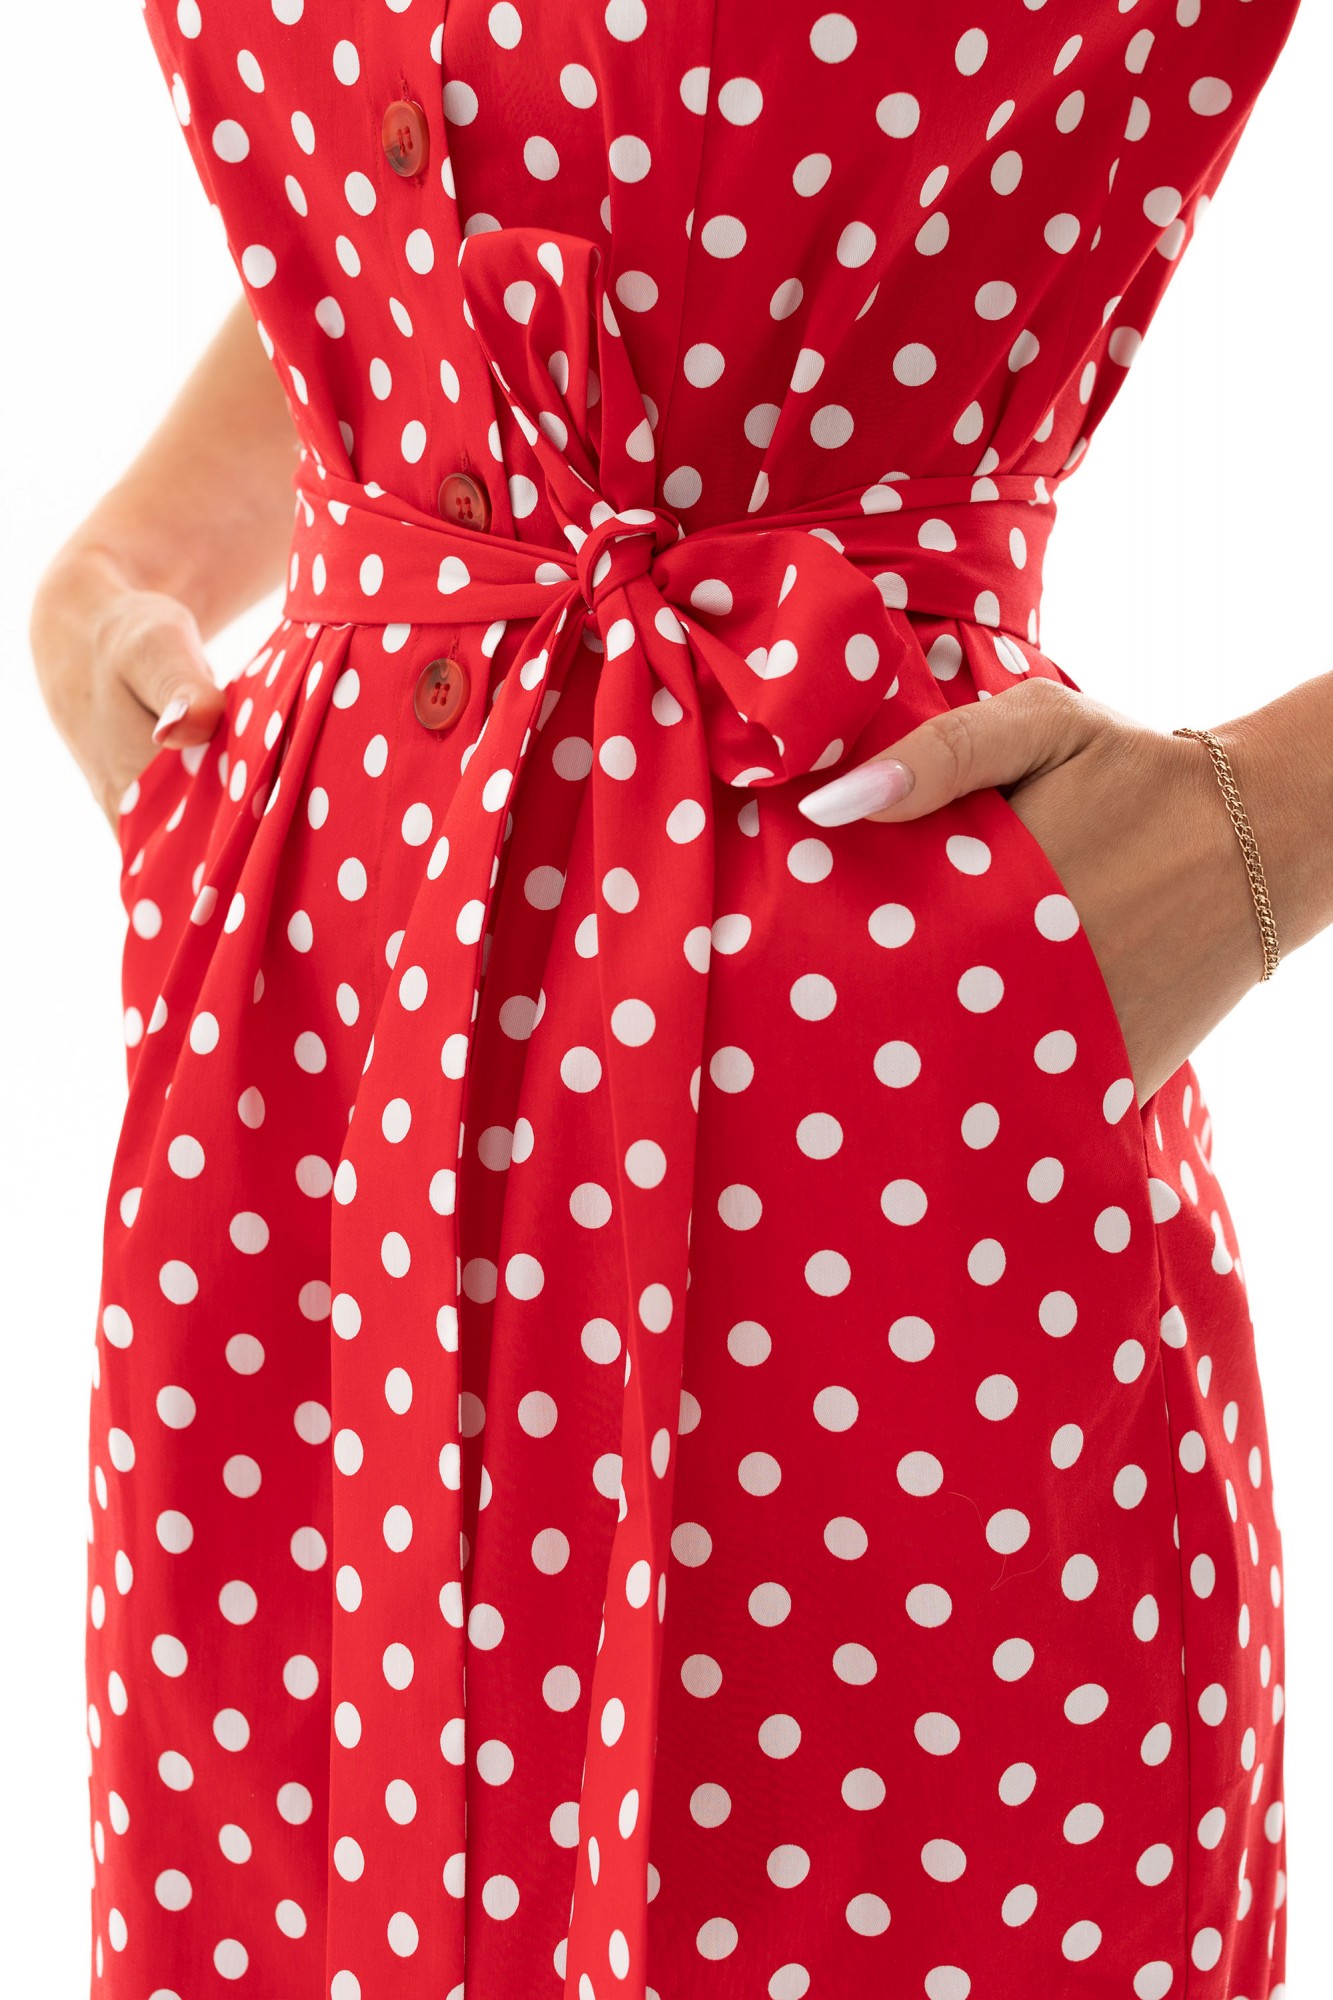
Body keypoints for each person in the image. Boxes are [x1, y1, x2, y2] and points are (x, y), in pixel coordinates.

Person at [28, 4, 1313, 1997]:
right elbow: (475, 145)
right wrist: (124, 569)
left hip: (861, 1141)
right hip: (306, 1128)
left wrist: (1252, 832)